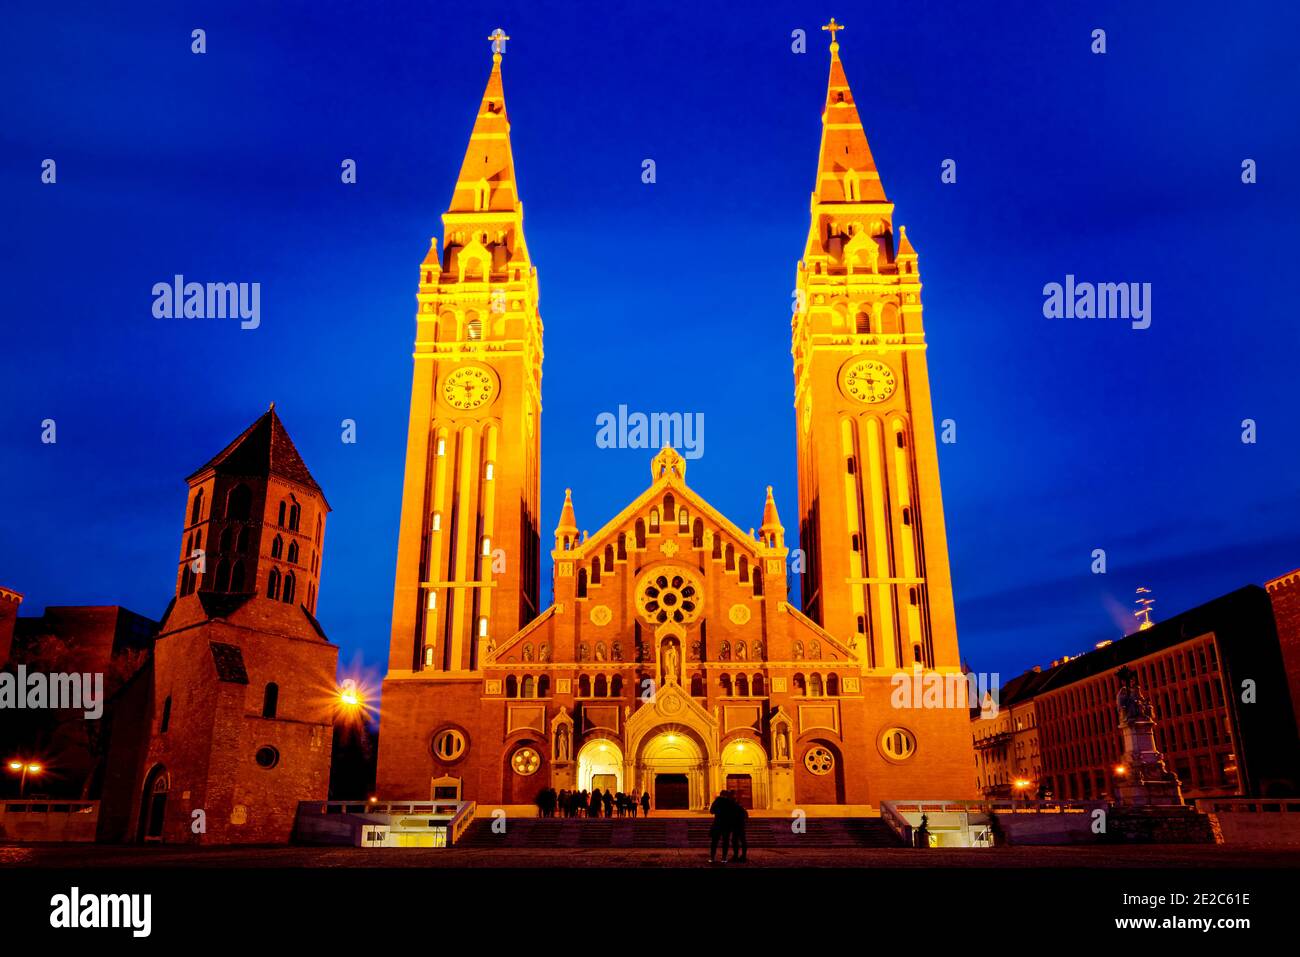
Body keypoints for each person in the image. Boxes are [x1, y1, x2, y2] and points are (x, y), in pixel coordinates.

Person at [708, 790, 734, 863]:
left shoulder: (717, 801)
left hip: (717, 823)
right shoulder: (729, 802)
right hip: (726, 824)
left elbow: (711, 811)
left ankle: (712, 858)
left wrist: (718, 811)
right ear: (726, 795)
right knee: (725, 842)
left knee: (714, 842)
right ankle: (724, 858)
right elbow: (733, 812)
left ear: (720, 794)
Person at [729, 796, 749, 862]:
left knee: (735, 841)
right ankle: (743, 856)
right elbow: (746, 816)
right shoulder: (741, 808)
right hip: (741, 826)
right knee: (742, 841)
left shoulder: (732, 808)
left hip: (736, 827)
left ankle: (736, 856)